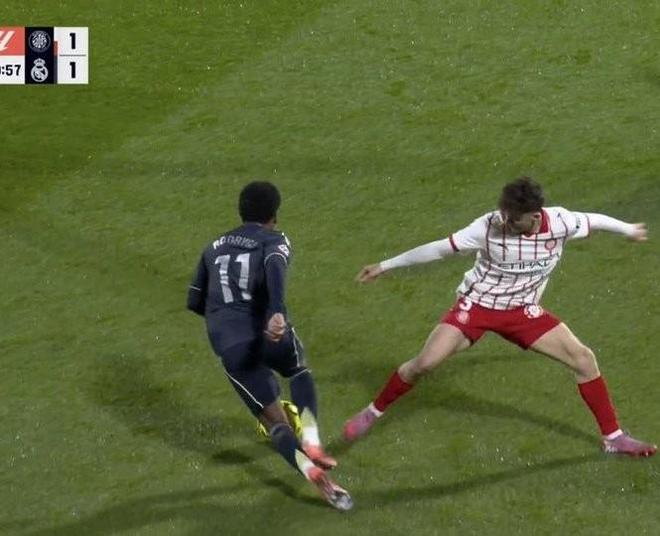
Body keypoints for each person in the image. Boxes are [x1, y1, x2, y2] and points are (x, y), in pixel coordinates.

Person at [344, 177, 656, 458]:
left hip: (522, 312)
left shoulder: (561, 222)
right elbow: (439, 249)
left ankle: (613, 437)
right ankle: (373, 411)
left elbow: (593, 220)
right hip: (477, 307)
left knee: (584, 359)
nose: (505, 221)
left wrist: (628, 229)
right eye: (504, 213)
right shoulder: (487, 226)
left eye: (513, 218)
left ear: (535, 216)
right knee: (424, 364)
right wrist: (385, 266)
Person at [187, 181, 352, 511]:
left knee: (275, 422)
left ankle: (314, 475)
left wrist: (224, 319)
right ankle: (312, 441)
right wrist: (276, 310)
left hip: (231, 344)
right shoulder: (274, 239)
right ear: (274, 215)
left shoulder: (212, 248)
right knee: (298, 371)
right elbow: (274, 265)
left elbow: (194, 301)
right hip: (269, 332)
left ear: (240, 211)